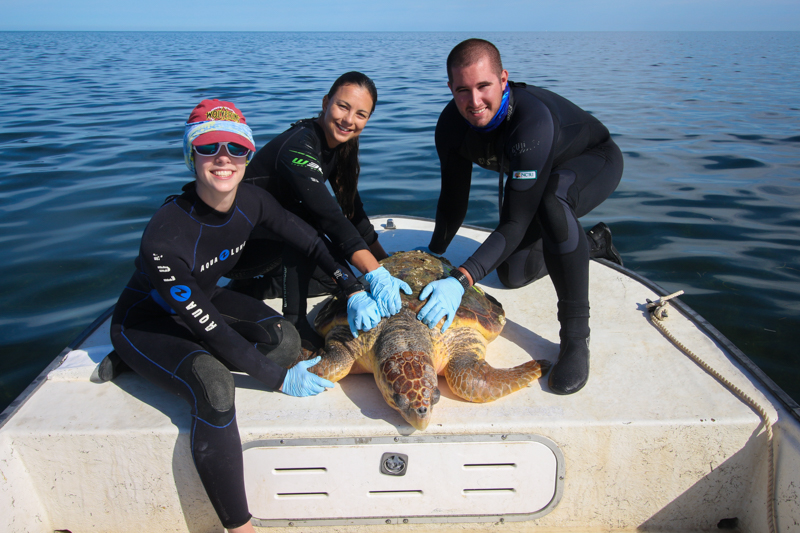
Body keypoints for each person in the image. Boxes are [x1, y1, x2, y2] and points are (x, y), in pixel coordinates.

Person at [109, 99, 383, 532]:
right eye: (209, 146)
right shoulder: (163, 237)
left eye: (236, 148)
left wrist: (352, 287)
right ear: (190, 155)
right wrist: (277, 380)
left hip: (203, 300)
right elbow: (215, 333)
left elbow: (311, 241)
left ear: (249, 154)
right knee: (216, 387)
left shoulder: (252, 201)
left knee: (286, 341)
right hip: (147, 321)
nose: (224, 158)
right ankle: (239, 526)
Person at [417, 39, 624, 395]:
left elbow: (514, 222)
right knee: (511, 275)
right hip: (537, 181)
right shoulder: (451, 126)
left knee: (551, 202)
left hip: (592, 162)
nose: (475, 101)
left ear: (503, 79)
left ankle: (575, 339)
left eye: (484, 86)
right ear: (450, 88)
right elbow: (453, 200)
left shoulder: (530, 121)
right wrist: (433, 256)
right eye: (463, 90)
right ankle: (592, 243)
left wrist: (461, 278)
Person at [227, 72, 410, 349]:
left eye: (361, 114)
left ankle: (250, 290)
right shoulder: (298, 146)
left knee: (336, 278)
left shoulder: (341, 145)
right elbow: (329, 218)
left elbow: (352, 212)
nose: (349, 120)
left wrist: (385, 265)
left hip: (269, 239)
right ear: (326, 102)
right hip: (237, 248)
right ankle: (296, 324)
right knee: (306, 224)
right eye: (343, 106)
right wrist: (375, 275)